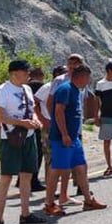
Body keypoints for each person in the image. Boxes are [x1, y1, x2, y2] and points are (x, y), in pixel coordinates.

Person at [45, 64, 107, 216]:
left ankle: (88, 200)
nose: (88, 81)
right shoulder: (65, 89)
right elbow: (58, 112)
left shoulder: (76, 90)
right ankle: (49, 203)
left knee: (81, 166)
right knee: (57, 169)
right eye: (88, 78)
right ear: (81, 77)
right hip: (62, 138)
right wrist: (64, 134)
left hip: (74, 137)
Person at [0, 59, 45, 224]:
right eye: (25, 71)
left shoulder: (27, 89)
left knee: (26, 175)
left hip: (28, 137)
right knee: (6, 178)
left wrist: (36, 121)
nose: (28, 74)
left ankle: (25, 213)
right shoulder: (3, 90)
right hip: (11, 139)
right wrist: (22, 123)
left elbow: (32, 110)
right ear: (15, 73)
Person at [25, 66, 47, 193]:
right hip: (37, 122)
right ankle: (33, 181)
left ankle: (22, 180)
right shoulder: (41, 87)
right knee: (37, 153)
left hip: (24, 123)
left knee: (27, 152)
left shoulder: (24, 87)